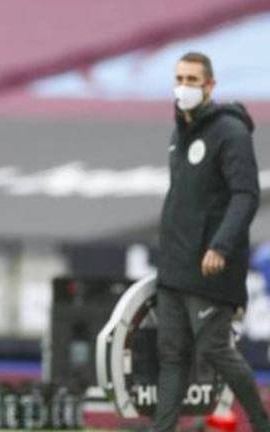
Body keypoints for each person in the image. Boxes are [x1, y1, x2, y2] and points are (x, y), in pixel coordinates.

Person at [155, 51, 269, 431]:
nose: (183, 87)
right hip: (175, 265)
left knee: (214, 349)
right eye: (179, 79)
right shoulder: (179, 133)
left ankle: (261, 422)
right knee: (171, 356)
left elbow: (246, 195)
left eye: (192, 80)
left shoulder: (231, 132)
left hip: (211, 266)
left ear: (210, 86)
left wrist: (220, 246)